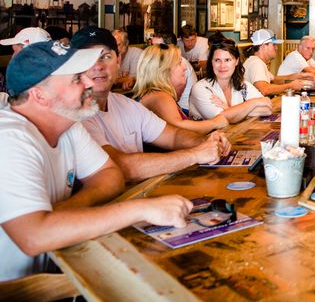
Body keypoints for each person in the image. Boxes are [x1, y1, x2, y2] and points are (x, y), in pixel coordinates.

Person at [0, 40, 192, 281]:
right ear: (40, 95)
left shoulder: (68, 123)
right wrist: (142, 209)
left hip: (57, 271)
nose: (90, 82)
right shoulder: (8, 138)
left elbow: (111, 176)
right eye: (76, 79)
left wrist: (61, 212)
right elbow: (33, 237)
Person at [72, 27, 230, 183]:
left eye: (105, 56)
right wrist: (194, 154)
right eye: (87, 58)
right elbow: (121, 166)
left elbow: (173, 135)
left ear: (118, 60)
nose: (98, 66)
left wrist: (207, 143)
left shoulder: (125, 104)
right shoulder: (74, 114)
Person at [135, 44, 229, 134]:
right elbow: (179, 128)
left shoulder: (154, 94)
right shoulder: (159, 96)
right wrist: (215, 122)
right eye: (179, 63)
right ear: (164, 70)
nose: (184, 68)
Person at [189, 38, 273, 122]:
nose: (222, 66)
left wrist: (229, 109)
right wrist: (253, 103)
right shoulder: (201, 88)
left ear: (236, 61)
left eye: (227, 60)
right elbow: (222, 119)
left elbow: (267, 108)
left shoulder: (242, 84)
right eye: (217, 60)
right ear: (211, 62)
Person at [244, 29, 314, 97]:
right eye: (274, 45)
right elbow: (264, 89)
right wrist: (290, 86)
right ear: (263, 46)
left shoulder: (257, 62)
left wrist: (299, 76)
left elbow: (274, 80)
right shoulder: (256, 63)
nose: (276, 48)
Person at [151, 31, 196, 112]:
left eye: (158, 46)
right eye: (152, 46)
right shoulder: (166, 62)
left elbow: (170, 95)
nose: (153, 50)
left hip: (185, 109)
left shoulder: (180, 63)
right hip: (175, 105)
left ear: (169, 47)